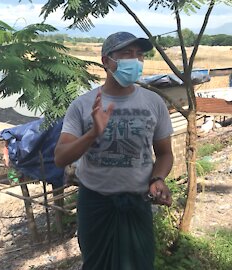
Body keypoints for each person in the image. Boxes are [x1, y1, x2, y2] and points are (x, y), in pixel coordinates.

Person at [54, 32, 174, 270]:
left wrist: (158, 178)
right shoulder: (83, 105)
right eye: (126, 54)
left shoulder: (153, 102)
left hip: (137, 203)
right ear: (106, 61)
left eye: (140, 55)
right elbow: (60, 157)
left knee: (140, 264)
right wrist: (92, 134)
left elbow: (164, 153)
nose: (135, 60)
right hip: (96, 204)